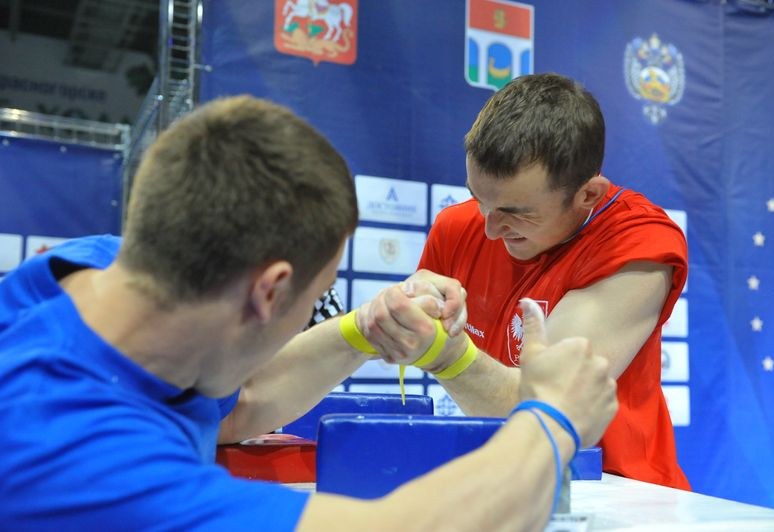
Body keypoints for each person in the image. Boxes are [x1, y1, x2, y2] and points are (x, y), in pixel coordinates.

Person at [0, 95, 617, 530]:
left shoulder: (92, 272)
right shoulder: (81, 460)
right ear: (269, 292)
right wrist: (550, 420)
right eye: (311, 304)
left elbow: (232, 405)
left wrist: (362, 329)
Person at [375, 73, 690, 490]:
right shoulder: (456, 226)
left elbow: (542, 405)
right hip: (504, 480)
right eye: (478, 198)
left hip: (617, 491)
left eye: (517, 212)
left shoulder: (639, 241)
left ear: (589, 195)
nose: (488, 229)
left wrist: (447, 356)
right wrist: (404, 318)